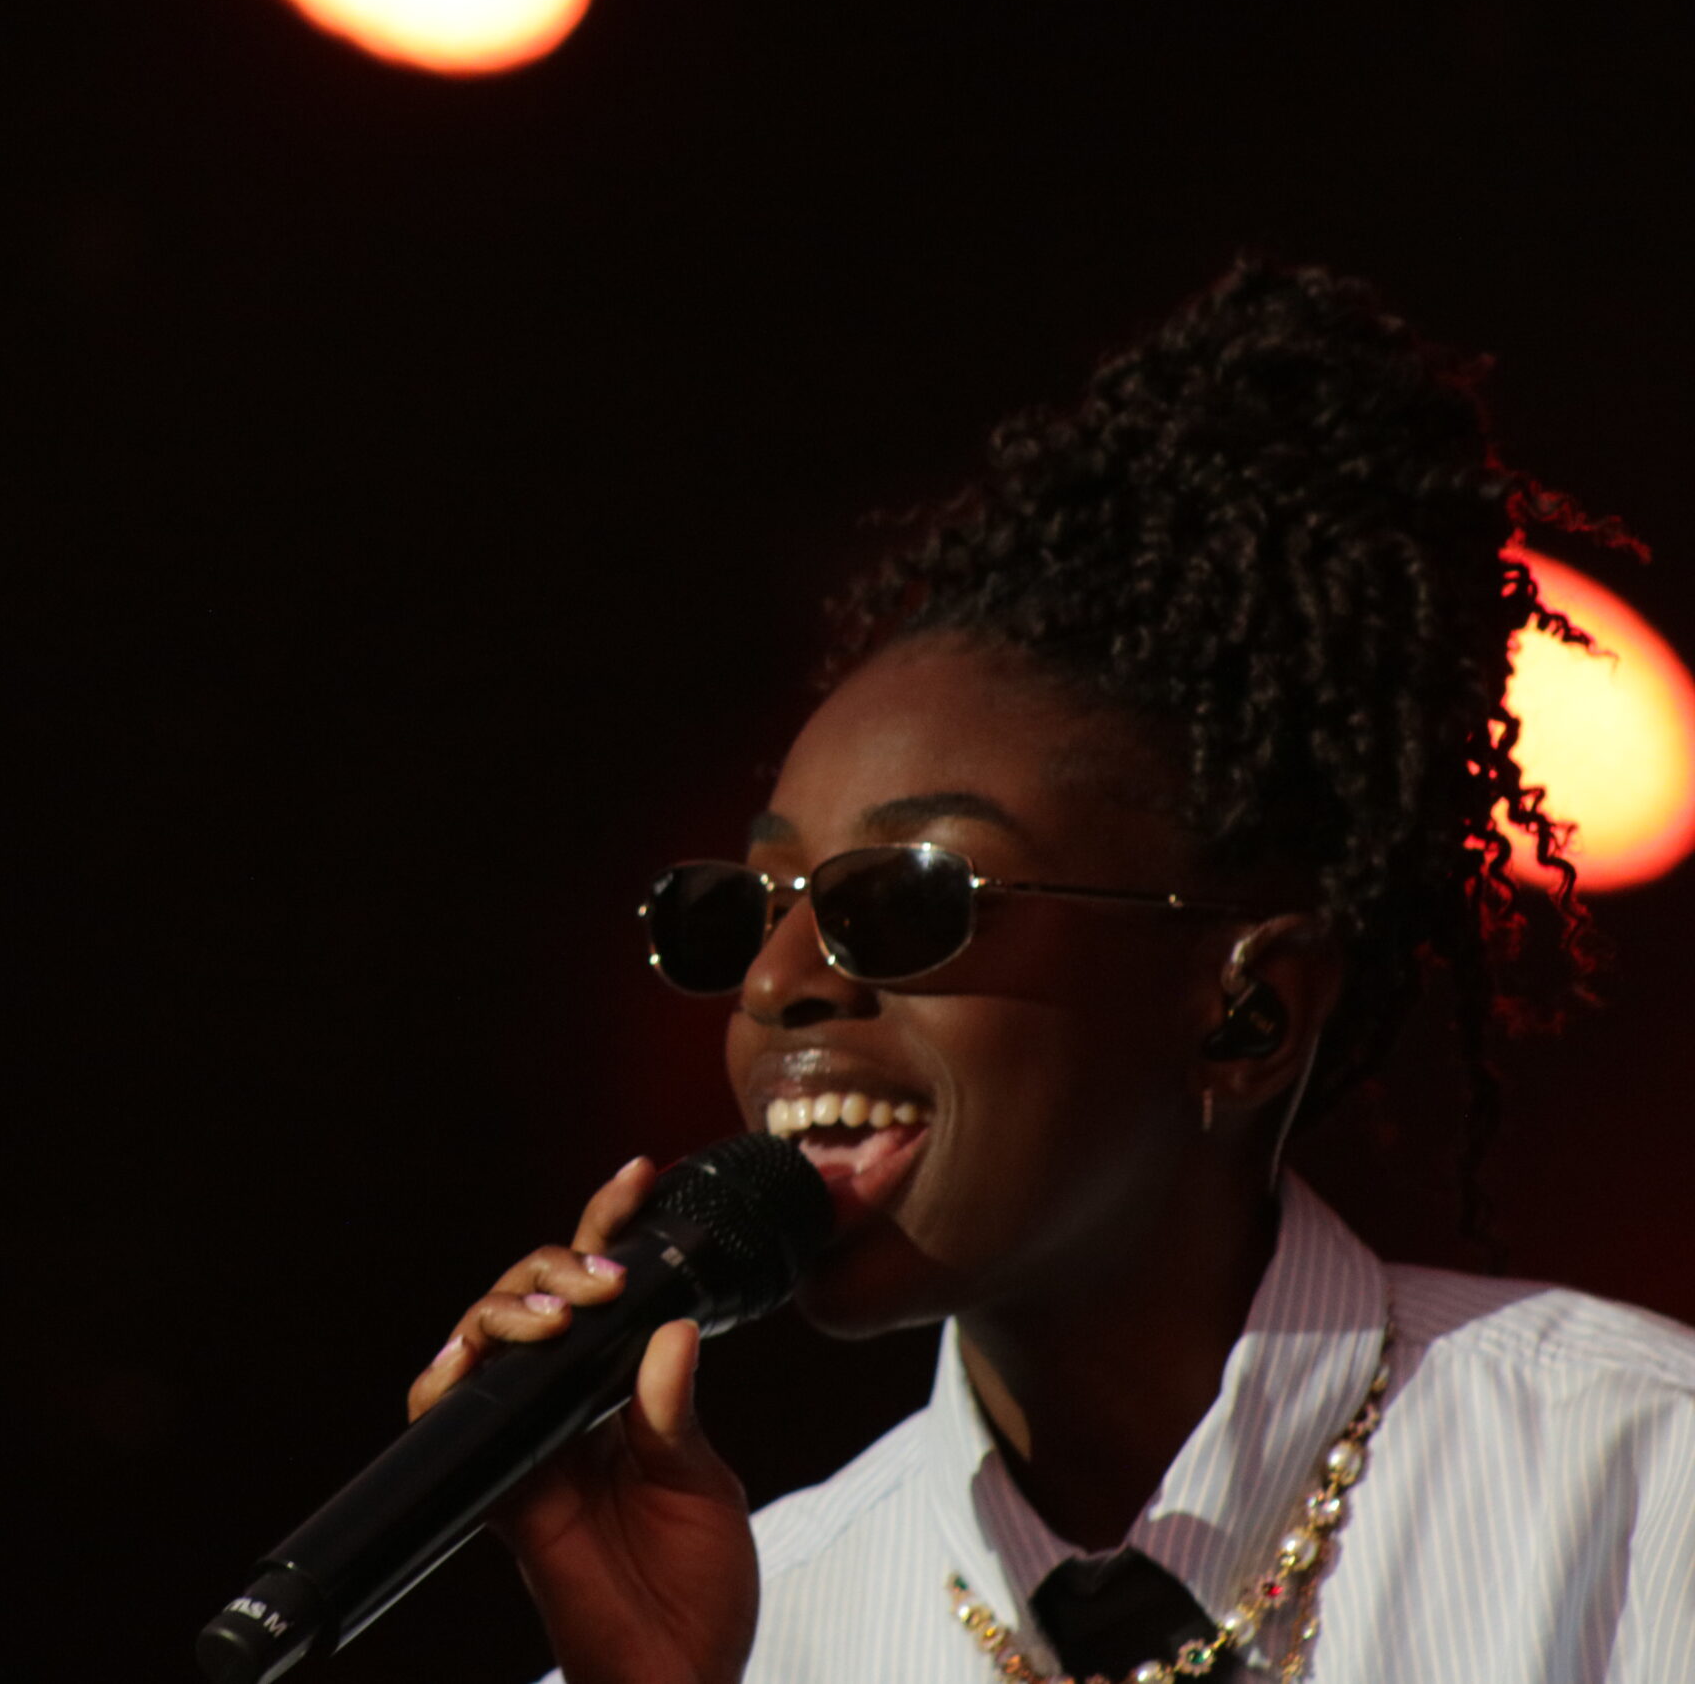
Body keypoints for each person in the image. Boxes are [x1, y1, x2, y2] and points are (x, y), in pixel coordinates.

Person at [407, 261, 1695, 1684]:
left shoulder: (1642, 1491)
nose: (775, 981)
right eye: (742, 909)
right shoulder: (746, 1635)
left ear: (1247, 1014)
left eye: (904, 900)